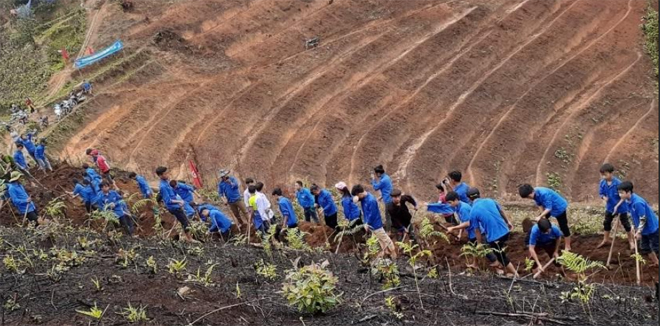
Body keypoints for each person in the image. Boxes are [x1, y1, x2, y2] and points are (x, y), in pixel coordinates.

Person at [468, 187, 517, 277]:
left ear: (469, 199)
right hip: (506, 231)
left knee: (501, 256)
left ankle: (515, 274)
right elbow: (501, 211)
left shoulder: (473, 211)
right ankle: (498, 263)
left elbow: (477, 230)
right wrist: (508, 222)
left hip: (495, 238)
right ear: (479, 194)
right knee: (489, 244)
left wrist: (479, 244)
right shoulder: (490, 200)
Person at [446, 191, 497, 267]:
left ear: (456, 200)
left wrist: (453, 228)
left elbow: (467, 223)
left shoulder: (464, 208)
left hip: (477, 232)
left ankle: (498, 265)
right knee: (475, 249)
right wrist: (460, 234)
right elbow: (462, 221)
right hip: (472, 232)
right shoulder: (458, 207)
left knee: (486, 250)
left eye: (450, 202)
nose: (449, 205)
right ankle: (475, 264)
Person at [518, 184, 571, 251]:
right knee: (542, 223)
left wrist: (540, 216)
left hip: (558, 207)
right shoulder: (534, 194)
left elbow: (549, 208)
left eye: (528, 196)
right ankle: (543, 237)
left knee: (563, 226)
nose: (529, 198)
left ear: (532, 191)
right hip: (547, 207)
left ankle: (568, 246)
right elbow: (540, 204)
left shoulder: (544, 194)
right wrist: (543, 217)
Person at [618, 181, 659, 266]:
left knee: (656, 247)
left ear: (628, 192)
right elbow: (633, 215)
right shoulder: (628, 201)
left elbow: (643, 219)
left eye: (621, 193)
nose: (620, 195)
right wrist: (635, 227)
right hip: (643, 228)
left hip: (652, 228)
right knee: (645, 247)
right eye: (619, 193)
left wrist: (639, 231)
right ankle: (656, 262)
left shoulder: (637, 203)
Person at [352, 184, 396, 258]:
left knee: (385, 238)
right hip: (370, 224)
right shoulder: (363, 199)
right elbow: (365, 212)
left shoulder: (371, 200)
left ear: (359, 194)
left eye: (357, 196)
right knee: (380, 239)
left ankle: (393, 253)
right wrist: (366, 222)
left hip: (376, 224)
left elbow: (372, 214)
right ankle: (386, 252)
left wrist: (367, 223)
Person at [597, 163, 634, 249]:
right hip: (610, 208)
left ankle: (631, 241)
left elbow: (623, 197)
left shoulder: (618, 184)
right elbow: (601, 193)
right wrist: (604, 197)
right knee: (606, 222)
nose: (603, 177)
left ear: (611, 173)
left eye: (605, 175)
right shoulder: (602, 183)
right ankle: (605, 239)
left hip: (621, 208)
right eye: (602, 175)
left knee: (626, 225)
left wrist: (617, 206)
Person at [156, 166, 193, 242]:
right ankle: (189, 239)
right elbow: (168, 200)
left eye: (167, 173)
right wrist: (179, 202)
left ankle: (185, 236)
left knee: (183, 220)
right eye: (165, 174)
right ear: (160, 175)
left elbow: (173, 193)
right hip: (173, 207)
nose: (167, 174)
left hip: (176, 205)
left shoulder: (167, 182)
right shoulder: (163, 186)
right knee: (185, 222)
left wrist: (178, 200)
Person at [371, 165, 393, 231]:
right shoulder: (387, 177)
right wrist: (381, 196)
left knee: (388, 216)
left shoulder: (383, 180)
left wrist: (373, 179)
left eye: (376, 173)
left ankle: (389, 231)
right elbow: (388, 189)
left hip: (388, 200)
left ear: (378, 173)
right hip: (390, 198)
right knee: (390, 215)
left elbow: (375, 187)